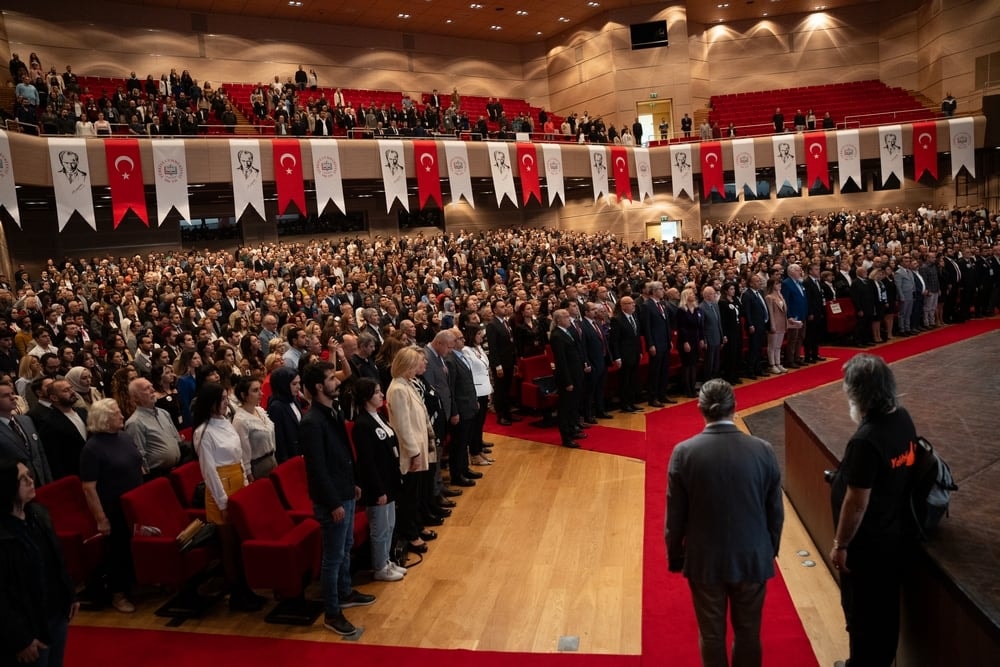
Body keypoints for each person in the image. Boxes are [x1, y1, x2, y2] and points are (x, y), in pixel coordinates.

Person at [666, 379, 784, 667]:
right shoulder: (764, 450)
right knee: (748, 633)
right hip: (752, 556)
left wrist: (675, 556)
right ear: (735, 407)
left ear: (700, 409)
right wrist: (770, 549)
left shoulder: (684, 453)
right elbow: (775, 511)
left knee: (711, 636)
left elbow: (675, 517)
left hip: (705, 560)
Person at [829, 354, 918, 667]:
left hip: (866, 546)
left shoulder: (866, 440)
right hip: (894, 535)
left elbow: (857, 502)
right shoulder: (902, 418)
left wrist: (841, 546)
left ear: (859, 393)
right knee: (885, 612)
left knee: (862, 614)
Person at [298, 361, 375, 636]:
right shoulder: (311, 422)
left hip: (345, 490)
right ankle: (332, 612)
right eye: (332, 378)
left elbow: (342, 452)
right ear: (319, 386)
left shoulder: (333, 411)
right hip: (332, 498)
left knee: (346, 547)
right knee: (332, 557)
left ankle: (344, 592)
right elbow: (316, 469)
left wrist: (353, 482)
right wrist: (332, 503)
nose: (337, 382)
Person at [192, 382, 263, 612]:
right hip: (220, 489)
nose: (226, 403)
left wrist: (245, 482)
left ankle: (247, 588)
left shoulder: (224, 422)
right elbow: (209, 471)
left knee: (240, 540)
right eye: (222, 400)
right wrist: (223, 502)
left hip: (236, 482)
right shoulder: (203, 432)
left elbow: (239, 455)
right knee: (229, 546)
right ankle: (237, 593)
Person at [0, 459, 78, 667]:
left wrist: (69, 593)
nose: (30, 481)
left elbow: (56, 560)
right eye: (21, 479)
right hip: (28, 626)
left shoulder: (39, 514)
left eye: (29, 475)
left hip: (55, 612)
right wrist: (20, 638)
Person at [79, 398, 144, 614]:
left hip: (132, 503)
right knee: (117, 552)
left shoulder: (123, 436)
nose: (122, 416)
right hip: (113, 507)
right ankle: (118, 594)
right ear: (105, 420)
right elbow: (89, 488)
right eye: (117, 414)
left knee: (132, 549)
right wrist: (101, 519)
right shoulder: (92, 448)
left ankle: (133, 584)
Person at [352, 377, 406, 583]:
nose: (381, 395)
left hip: (389, 479)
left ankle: (386, 559)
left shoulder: (379, 416)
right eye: (376, 392)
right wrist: (378, 489)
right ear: (366, 397)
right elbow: (367, 462)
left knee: (390, 524)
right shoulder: (362, 424)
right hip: (377, 485)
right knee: (380, 528)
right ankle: (379, 566)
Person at [385, 346, 435, 558]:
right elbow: (403, 425)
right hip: (410, 451)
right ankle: (411, 533)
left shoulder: (406, 383)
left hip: (419, 445)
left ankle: (417, 525)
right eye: (415, 363)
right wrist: (414, 452)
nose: (419, 366)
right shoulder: (397, 389)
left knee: (418, 491)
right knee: (410, 495)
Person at [125, 377, 184, 478]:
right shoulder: (135, 423)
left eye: (151, 386)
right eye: (146, 388)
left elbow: (177, 440)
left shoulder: (164, 413)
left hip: (178, 468)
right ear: (136, 397)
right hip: (158, 475)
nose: (152, 390)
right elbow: (139, 456)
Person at [549, 309, 584, 448]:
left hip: (576, 373)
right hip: (567, 376)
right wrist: (568, 381)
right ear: (558, 320)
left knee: (573, 404)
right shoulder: (557, 335)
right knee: (565, 407)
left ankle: (572, 429)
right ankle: (566, 437)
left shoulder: (569, 332)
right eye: (566, 317)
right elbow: (561, 361)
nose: (569, 319)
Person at [231, 376, 276, 482]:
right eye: (255, 390)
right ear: (243, 395)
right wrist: (249, 475)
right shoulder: (240, 420)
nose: (261, 393)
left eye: (260, 389)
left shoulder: (260, 410)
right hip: (257, 467)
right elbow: (243, 452)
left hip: (272, 459)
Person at [676, 288, 705, 398]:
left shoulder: (697, 309)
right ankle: (687, 388)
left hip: (696, 339)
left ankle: (693, 387)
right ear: (686, 296)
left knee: (694, 364)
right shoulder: (682, 310)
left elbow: (700, 326)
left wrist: (701, 339)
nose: (694, 295)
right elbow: (681, 327)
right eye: (691, 294)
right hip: (686, 340)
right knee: (687, 365)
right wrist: (685, 342)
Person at [764, 278, 788, 375]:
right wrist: (772, 325)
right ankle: (772, 364)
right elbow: (770, 313)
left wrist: (780, 296)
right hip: (774, 323)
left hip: (782, 322)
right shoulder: (769, 297)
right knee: (772, 345)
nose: (779, 285)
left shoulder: (780, 295)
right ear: (772, 285)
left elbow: (785, 310)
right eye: (777, 283)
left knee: (778, 346)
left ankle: (778, 363)